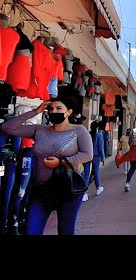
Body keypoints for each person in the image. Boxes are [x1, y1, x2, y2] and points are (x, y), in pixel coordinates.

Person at [0, 97, 93, 235]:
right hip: (41, 190)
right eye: (51, 109)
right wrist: (36, 111)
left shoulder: (79, 131)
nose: (54, 111)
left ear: (69, 112)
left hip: (68, 190)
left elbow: (87, 155)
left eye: (59, 109)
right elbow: (7, 127)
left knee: (65, 231)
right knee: (31, 231)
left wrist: (61, 161)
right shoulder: (39, 130)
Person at [115, 119, 136, 192]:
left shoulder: (133, 131)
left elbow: (130, 141)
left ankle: (127, 183)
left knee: (132, 168)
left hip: (134, 149)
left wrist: (132, 146)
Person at [82, 121, 105, 202]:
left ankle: (85, 193)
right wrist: (103, 158)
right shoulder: (99, 135)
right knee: (96, 173)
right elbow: (100, 148)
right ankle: (98, 188)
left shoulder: (87, 134)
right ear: (97, 127)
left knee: (86, 173)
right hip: (96, 156)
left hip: (86, 156)